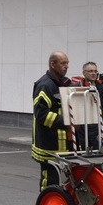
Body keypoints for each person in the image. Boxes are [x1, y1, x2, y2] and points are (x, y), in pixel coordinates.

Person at [32, 51, 73, 188]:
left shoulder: (64, 83)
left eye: (67, 63)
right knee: (50, 181)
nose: (66, 66)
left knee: (67, 183)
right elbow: (41, 114)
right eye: (63, 63)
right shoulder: (45, 85)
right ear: (52, 64)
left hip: (63, 144)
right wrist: (66, 122)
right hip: (49, 145)